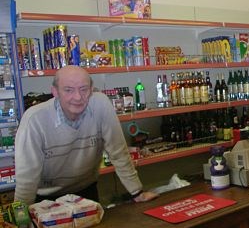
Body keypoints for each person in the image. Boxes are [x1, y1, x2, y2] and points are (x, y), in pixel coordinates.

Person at [14, 66, 159, 206]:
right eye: (68, 90)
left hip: (86, 192)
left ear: (91, 90)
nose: (77, 97)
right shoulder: (34, 119)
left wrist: (136, 192)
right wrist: (22, 219)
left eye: (83, 89)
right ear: (55, 92)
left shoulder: (101, 104)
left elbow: (118, 152)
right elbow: (27, 177)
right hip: (46, 199)